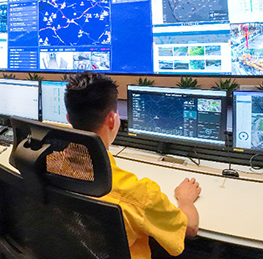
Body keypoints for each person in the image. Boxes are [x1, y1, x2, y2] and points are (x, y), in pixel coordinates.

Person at [64, 71, 201, 258]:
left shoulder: (48, 164)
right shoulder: (139, 194)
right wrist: (185, 199)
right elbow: (190, 228)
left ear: (68, 119)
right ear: (112, 120)